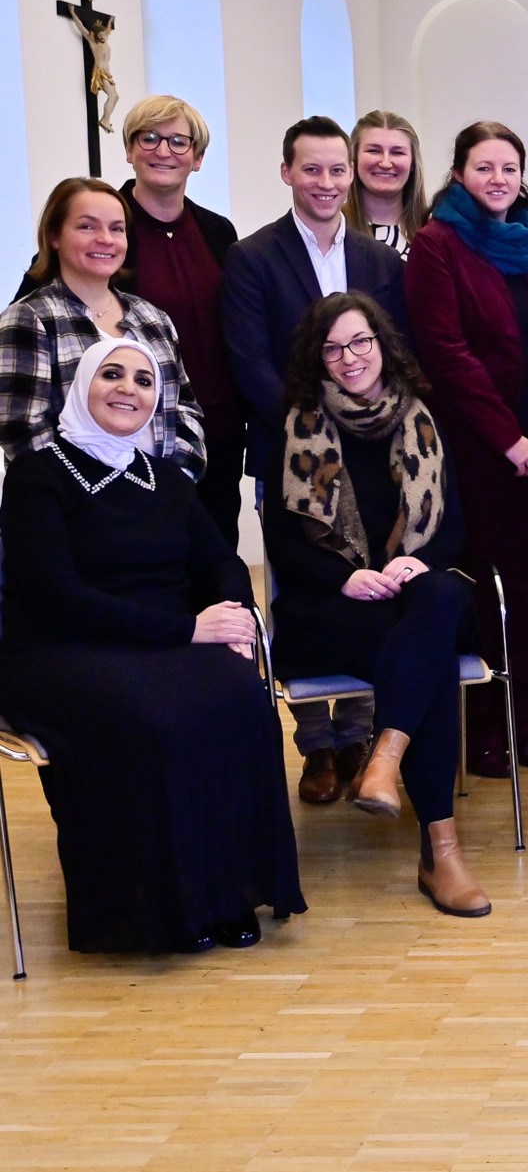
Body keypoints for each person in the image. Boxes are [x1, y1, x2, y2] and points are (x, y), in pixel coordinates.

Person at [0, 338, 304, 953]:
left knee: (245, 701)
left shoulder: (164, 477)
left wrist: (235, 616)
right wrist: (189, 631)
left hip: (160, 643)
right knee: (155, 718)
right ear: (81, 386)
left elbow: (221, 564)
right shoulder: (37, 475)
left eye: (143, 381)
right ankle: (152, 907)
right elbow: (57, 594)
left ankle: (227, 893)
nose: (128, 389)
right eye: (111, 374)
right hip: (61, 648)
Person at [264, 293, 489, 916]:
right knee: (429, 659)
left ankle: (385, 755)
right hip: (331, 607)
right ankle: (440, 852)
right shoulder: (295, 426)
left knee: (439, 594)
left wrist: (420, 561)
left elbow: (453, 525)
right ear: (318, 359)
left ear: (382, 344)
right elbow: (282, 542)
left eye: (360, 341)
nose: (350, 358)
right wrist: (345, 578)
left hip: (413, 598)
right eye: (333, 348)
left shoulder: (422, 417)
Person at [224, 116, 410, 803]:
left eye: (337, 169)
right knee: (300, 586)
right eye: (312, 169)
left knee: (368, 582)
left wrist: (364, 429)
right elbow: (249, 360)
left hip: (372, 456)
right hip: (289, 456)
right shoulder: (252, 257)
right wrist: (315, 428)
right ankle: (314, 744)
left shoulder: (379, 260)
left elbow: (392, 351)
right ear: (288, 173)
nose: (327, 182)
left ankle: (358, 731)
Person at [406, 121, 528, 777]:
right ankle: (483, 729)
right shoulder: (437, 244)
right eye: (484, 167)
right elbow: (445, 353)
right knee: (484, 589)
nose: (498, 179)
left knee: (522, 585)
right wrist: (508, 438)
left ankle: (523, 724)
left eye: (509, 167)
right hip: (477, 449)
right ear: (459, 174)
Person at [0, 179, 206, 474]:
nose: (106, 239)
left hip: (157, 495)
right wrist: (101, 494)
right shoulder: (29, 318)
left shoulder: (153, 318)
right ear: (54, 236)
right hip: (69, 499)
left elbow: (184, 410)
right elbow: (22, 432)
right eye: (87, 226)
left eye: (117, 229)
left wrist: (173, 483)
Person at [113, 97, 244, 540]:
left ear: (198, 158)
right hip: (134, 434)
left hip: (217, 431)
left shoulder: (218, 231)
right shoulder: (104, 227)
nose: (163, 150)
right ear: (129, 150)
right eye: (148, 138)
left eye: (178, 141)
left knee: (216, 549)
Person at [344, 109, 428, 259]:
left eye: (397, 152)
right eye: (373, 151)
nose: (385, 163)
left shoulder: (436, 231)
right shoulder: (332, 229)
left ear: (413, 163)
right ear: (354, 159)